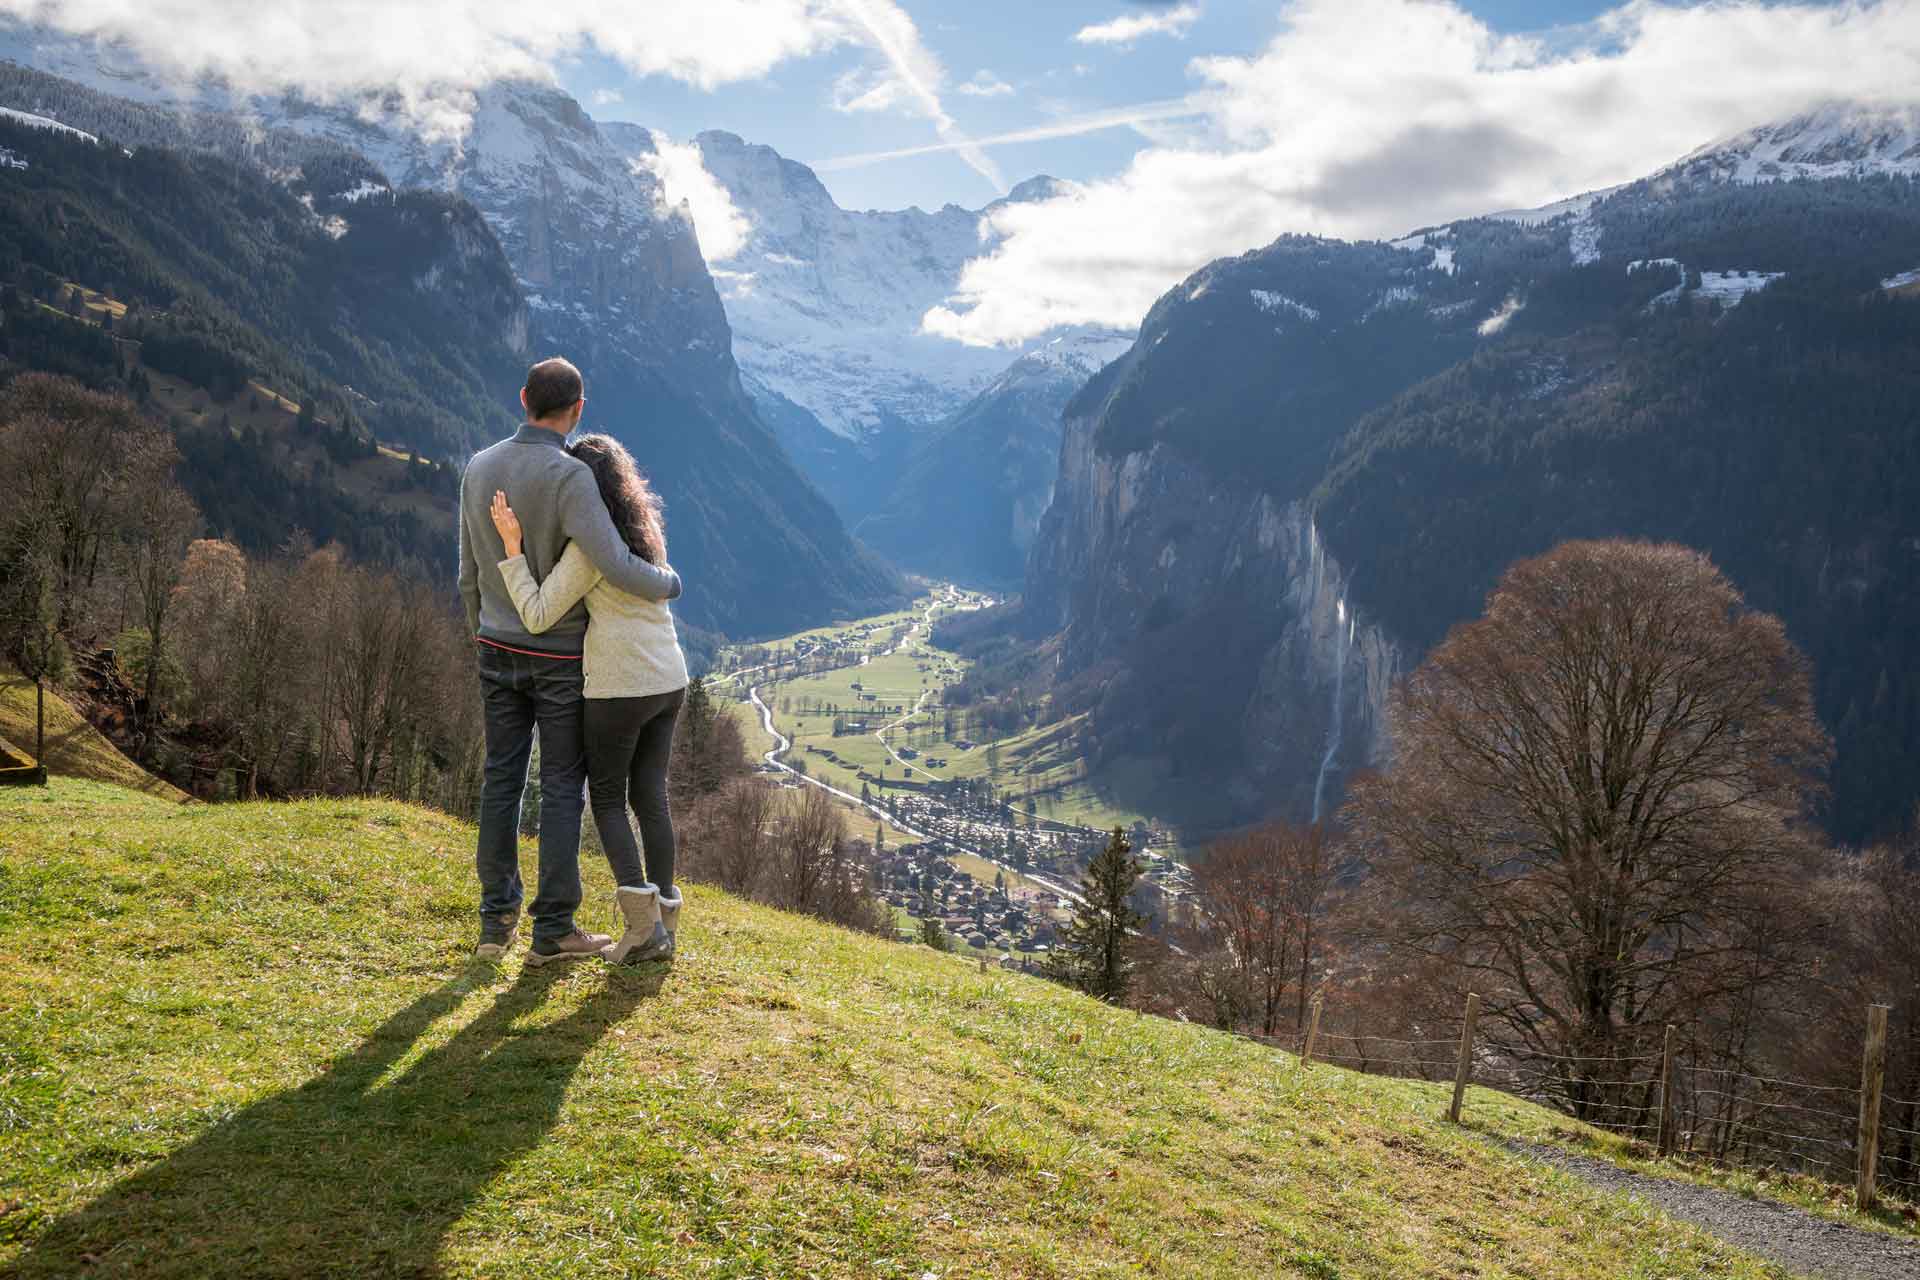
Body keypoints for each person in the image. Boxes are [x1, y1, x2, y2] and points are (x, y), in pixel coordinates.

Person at [458, 357, 682, 966]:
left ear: (522, 397)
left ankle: (493, 921)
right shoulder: (572, 477)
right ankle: (553, 930)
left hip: (494, 645)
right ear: (577, 409)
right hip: (557, 655)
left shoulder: (478, 467)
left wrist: (483, 629)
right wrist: (668, 583)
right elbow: (611, 562)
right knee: (562, 788)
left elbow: (467, 572)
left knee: (500, 778)